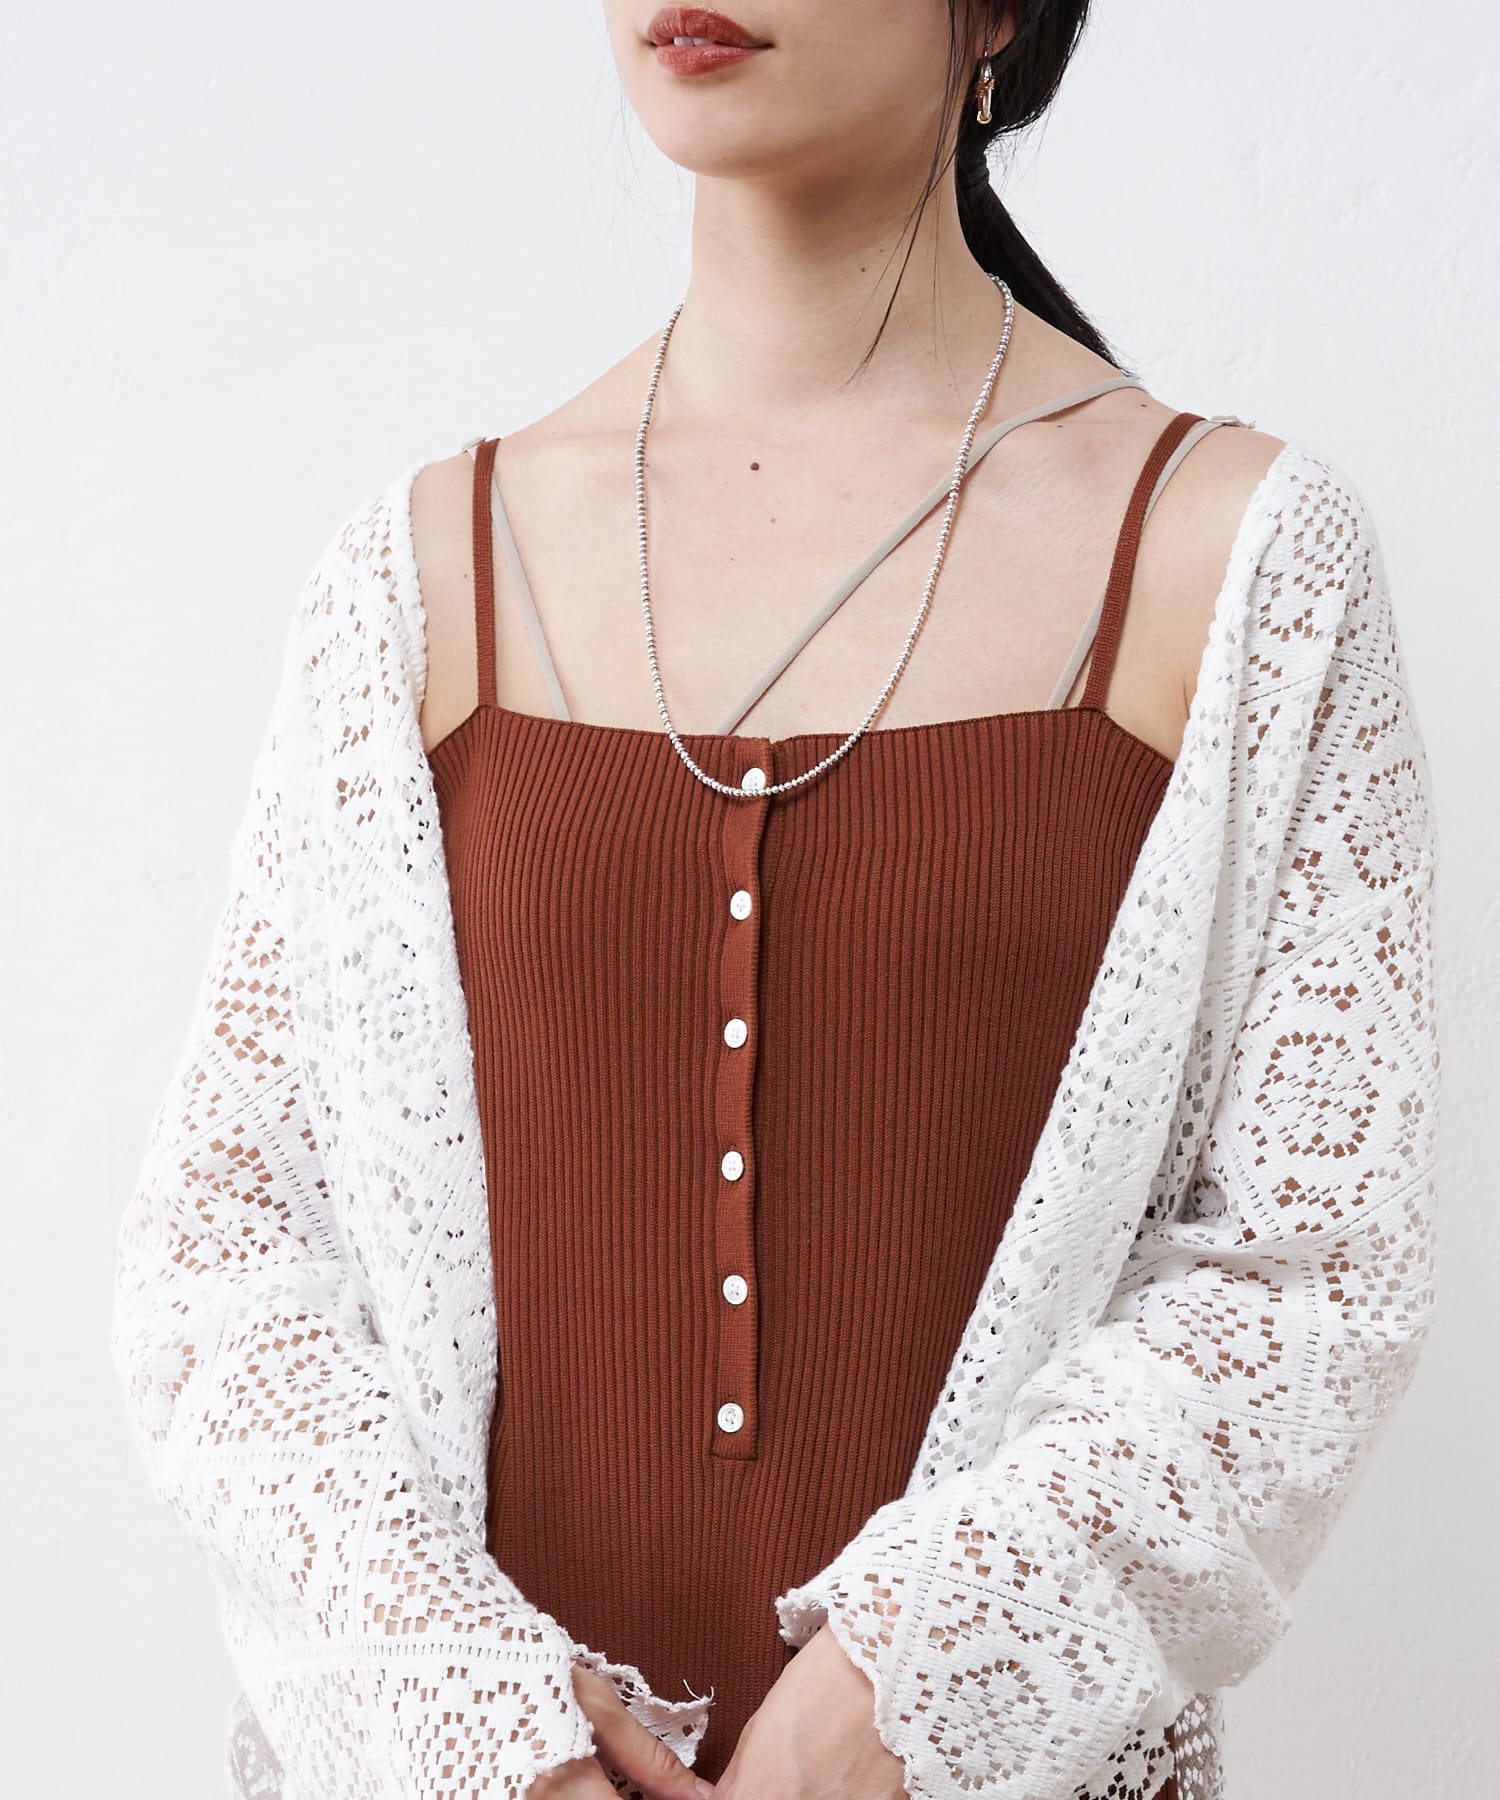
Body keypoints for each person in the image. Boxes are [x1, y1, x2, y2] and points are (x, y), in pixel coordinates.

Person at [111, 5, 1441, 1799]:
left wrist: (910, 1686)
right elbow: (231, 1258)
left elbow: (1311, 1270)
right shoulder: (417, 571)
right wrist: (486, 1732)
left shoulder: (1245, 558)